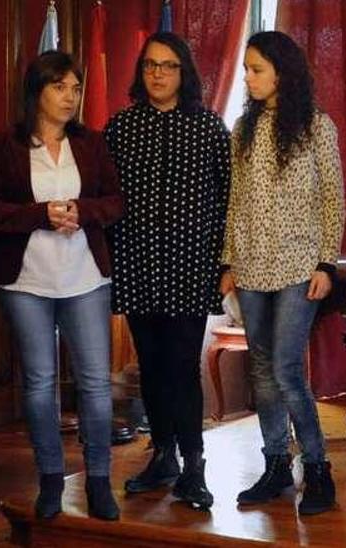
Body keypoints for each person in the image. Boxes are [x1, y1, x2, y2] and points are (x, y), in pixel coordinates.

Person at [0, 50, 124, 521]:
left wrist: (83, 211)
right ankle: (51, 480)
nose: (70, 97)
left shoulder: (93, 144)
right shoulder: (3, 147)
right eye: (60, 87)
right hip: (26, 282)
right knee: (39, 386)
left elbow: (115, 202)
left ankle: (99, 482)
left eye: (76, 89)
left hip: (85, 278)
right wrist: (40, 215)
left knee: (96, 385)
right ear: (37, 91)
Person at [220, 30, 344, 516]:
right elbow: (235, 202)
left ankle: (317, 467)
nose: (248, 78)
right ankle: (275, 464)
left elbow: (333, 198)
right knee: (261, 372)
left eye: (256, 70)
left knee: (287, 371)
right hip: (250, 267)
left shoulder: (316, 126)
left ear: (281, 73)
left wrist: (326, 263)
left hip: (298, 266)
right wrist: (227, 260)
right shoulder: (242, 130)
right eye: (246, 69)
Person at [105, 31, 230, 511]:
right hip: (136, 264)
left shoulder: (208, 127)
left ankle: (194, 465)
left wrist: (225, 263)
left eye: (168, 65)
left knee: (181, 366)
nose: (158, 74)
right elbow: (109, 198)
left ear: (185, 73)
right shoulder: (120, 128)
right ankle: (162, 456)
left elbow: (226, 202)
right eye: (150, 65)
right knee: (151, 368)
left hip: (189, 265)